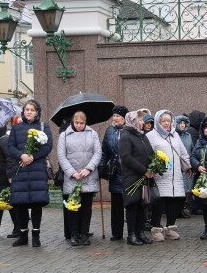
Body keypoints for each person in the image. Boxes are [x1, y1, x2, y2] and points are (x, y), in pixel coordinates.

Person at [7, 99, 52, 248]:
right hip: (20, 169)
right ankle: (23, 236)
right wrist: (21, 155)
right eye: (27, 109)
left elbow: (48, 146)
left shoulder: (43, 127)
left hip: (36, 169)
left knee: (36, 203)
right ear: (23, 111)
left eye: (32, 110)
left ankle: (36, 236)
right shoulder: (16, 128)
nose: (29, 112)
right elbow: (10, 147)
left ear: (37, 112)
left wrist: (33, 156)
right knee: (21, 204)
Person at [146, 110, 192, 241]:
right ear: (158, 122)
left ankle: (170, 229)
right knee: (159, 204)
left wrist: (188, 167)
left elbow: (183, 153)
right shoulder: (151, 136)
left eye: (169, 121)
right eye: (164, 121)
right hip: (160, 176)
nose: (167, 123)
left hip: (175, 175)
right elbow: (147, 154)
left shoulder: (175, 135)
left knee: (174, 203)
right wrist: (151, 168)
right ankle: (156, 229)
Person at [58, 111, 102, 246]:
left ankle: (84, 233)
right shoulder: (64, 135)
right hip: (72, 177)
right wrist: (72, 172)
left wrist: (89, 168)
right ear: (72, 122)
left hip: (88, 176)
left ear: (85, 123)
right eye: (76, 123)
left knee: (86, 208)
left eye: (81, 123)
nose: (79, 125)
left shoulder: (92, 134)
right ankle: (74, 234)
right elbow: (61, 156)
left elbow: (97, 152)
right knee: (73, 208)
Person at [119, 110, 155, 246]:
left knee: (141, 205)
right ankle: (131, 235)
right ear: (133, 121)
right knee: (132, 205)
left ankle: (140, 233)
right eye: (140, 120)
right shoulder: (125, 136)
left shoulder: (141, 135)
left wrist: (154, 166)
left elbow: (150, 152)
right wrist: (143, 170)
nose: (142, 122)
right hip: (131, 176)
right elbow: (126, 157)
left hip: (143, 177)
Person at [100, 105, 128, 241]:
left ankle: (133, 231)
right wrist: (101, 166)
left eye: (118, 116)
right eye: (114, 115)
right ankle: (117, 233)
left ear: (124, 118)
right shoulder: (109, 131)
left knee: (131, 204)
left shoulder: (130, 130)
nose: (115, 118)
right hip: (115, 173)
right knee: (116, 205)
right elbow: (104, 151)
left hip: (129, 173)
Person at [175, 115, 194, 218]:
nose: (182, 125)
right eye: (180, 123)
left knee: (186, 189)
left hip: (186, 166)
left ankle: (182, 209)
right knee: (178, 188)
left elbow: (192, 149)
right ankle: (176, 210)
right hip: (177, 166)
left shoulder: (188, 135)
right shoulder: (173, 135)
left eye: (184, 123)